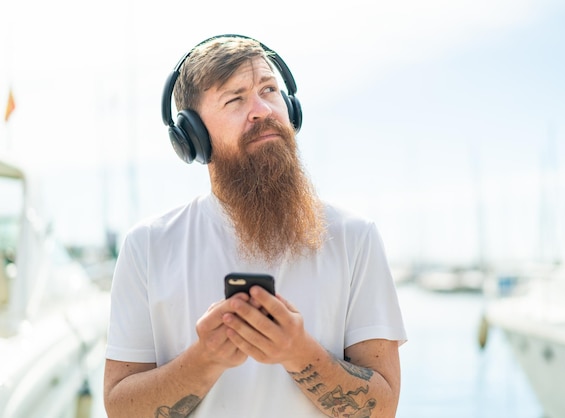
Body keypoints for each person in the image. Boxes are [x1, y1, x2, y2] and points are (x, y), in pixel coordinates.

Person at [103, 34, 407, 417]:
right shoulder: (147, 245)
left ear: (291, 108)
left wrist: (298, 353)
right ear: (192, 135)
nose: (262, 109)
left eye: (269, 90)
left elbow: (383, 408)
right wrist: (205, 360)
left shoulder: (355, 236)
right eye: (235, 99)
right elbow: (119, 408)